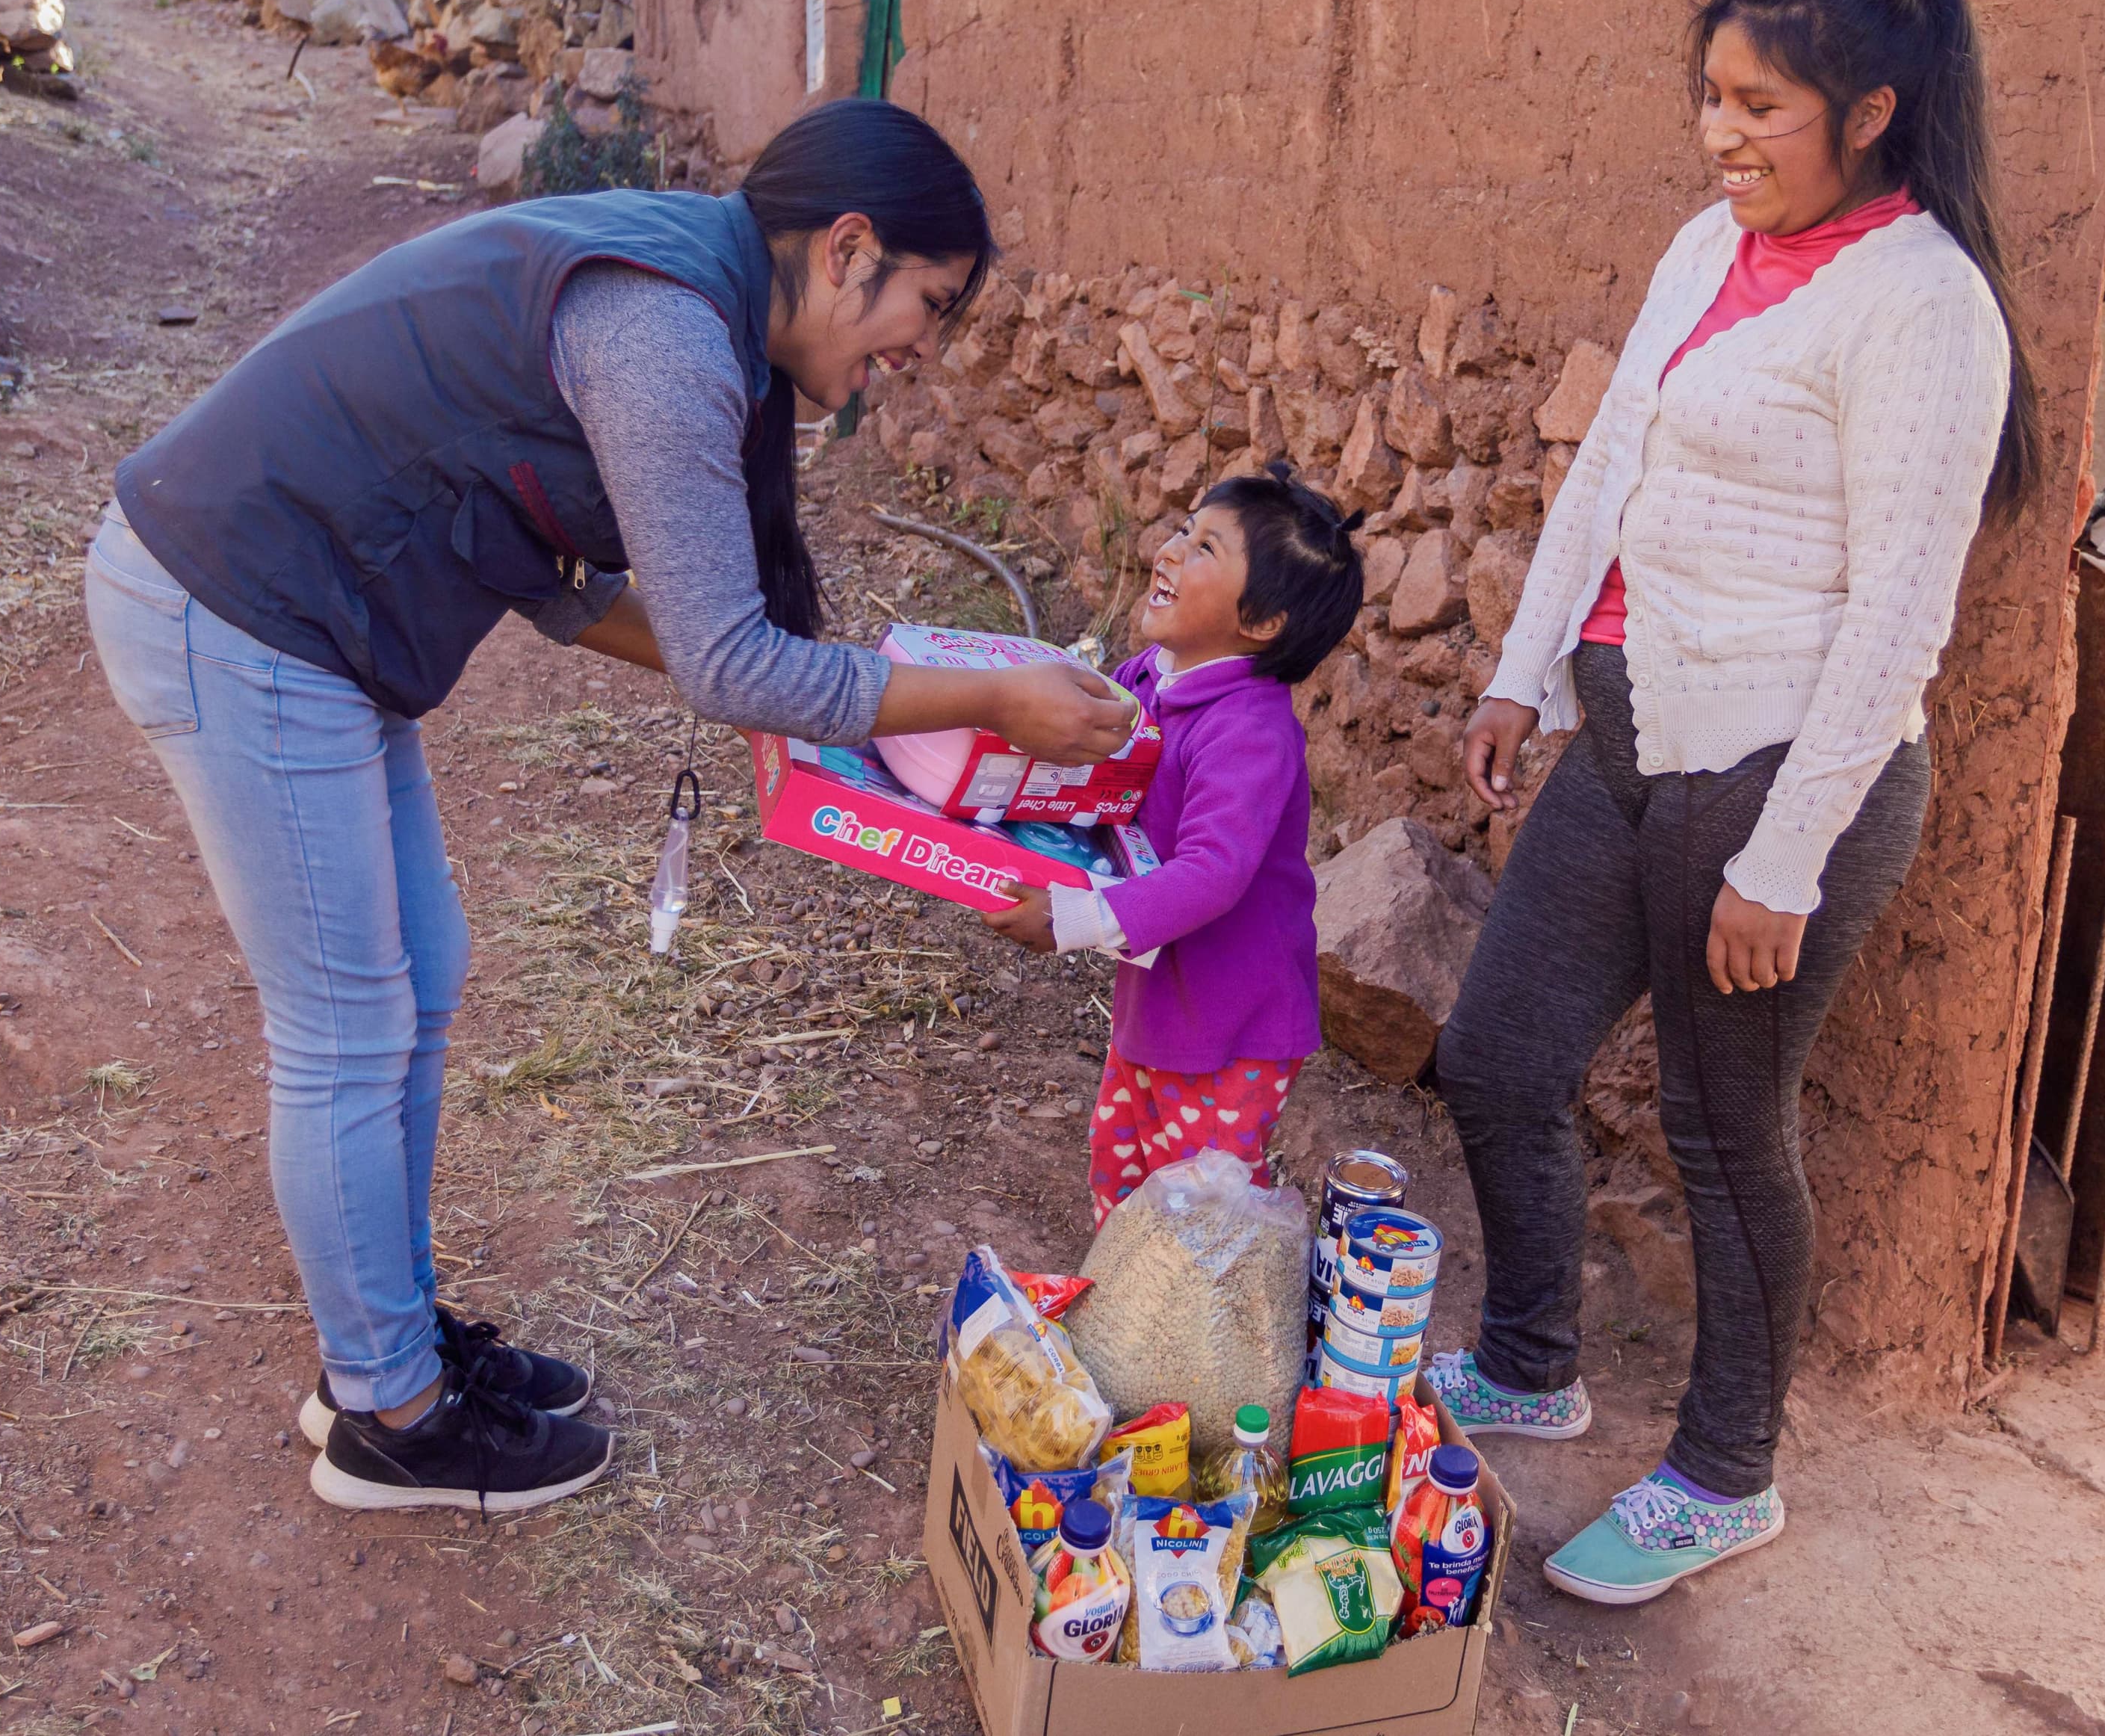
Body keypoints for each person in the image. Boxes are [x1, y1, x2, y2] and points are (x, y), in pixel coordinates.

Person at [84, 99, 1138, 1516]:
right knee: (347, 1024)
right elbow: (728, 662)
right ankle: (390, 1414)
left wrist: (865, 703)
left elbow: (564, 579)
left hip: (301, 617)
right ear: (847, 249)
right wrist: (975, 701)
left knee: (419, 979)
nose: (920, 351)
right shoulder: (664, 335)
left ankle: (389, 1348)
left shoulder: (689, 294)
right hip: (243, 606)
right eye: (929, 306)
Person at [1426, 0, 2039, 1604]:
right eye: (1710, 98)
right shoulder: (1709, 246)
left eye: (1759, 105)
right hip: (1628, 731)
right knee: (1496, 1054)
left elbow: (1904, 610)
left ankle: (1725, 1469)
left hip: (1778, 772)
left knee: (1721, 1125)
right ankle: (1532, 1359)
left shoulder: (1925, 305)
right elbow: (1609, 462)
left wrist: (1784, 858)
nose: (1723, 133)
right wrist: (1522, 670)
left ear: (1870, 110)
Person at [980, 464, 1367, 1225]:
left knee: (1195, 1215)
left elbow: (1213, 874)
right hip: (1162, 1004)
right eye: (1184, 531)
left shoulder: (1249, 733)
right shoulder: (1156, 681)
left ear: (1259, 623)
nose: (1168, 552)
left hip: (1230, 1026)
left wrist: (1072, 919)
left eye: (1203, 550)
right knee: (1122, 1173)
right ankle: (1125, 1318)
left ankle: (1185, 1337)